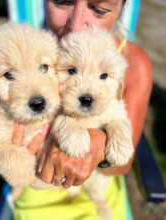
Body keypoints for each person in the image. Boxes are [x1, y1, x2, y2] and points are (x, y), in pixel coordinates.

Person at [11, 0, 152, 219]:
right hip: (35, 182)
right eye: (61, 2)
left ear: (122, 8)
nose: (76, 26)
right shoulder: (28, 53)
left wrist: (100, 142)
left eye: (99, 10)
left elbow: (121, 163)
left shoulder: (133, 64)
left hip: (99, 187)